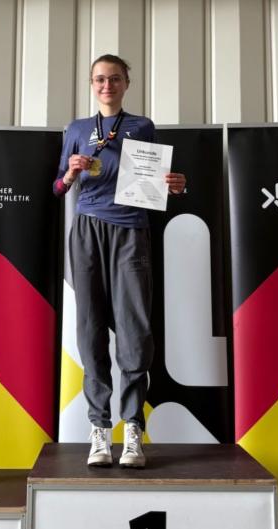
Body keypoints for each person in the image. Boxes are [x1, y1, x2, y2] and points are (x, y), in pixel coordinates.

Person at [53, 54, 186, 468]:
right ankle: (98, 428)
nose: (106, 85)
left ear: (126, 83)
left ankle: (131, 428)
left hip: (130, 230)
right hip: (87, 229)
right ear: (91, 84)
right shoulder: (77, 129)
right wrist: (71, 173)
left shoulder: (142, 126)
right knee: (89, 327)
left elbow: (156, 181)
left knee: (134, 328)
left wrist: (175, 185)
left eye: (114, 78)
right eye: (99, 79)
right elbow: (58, 187)